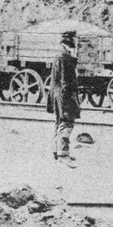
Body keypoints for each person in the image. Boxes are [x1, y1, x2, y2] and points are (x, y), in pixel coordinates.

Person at [50, 30, 80, 167]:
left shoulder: (60, 55)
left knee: (59, 122)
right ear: (71, 41)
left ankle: (56, 151)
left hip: (58, 95)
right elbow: (65, 81)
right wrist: (70, 99)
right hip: (64, 96)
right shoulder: (64, 57)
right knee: (67, 122)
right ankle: (63, 154)